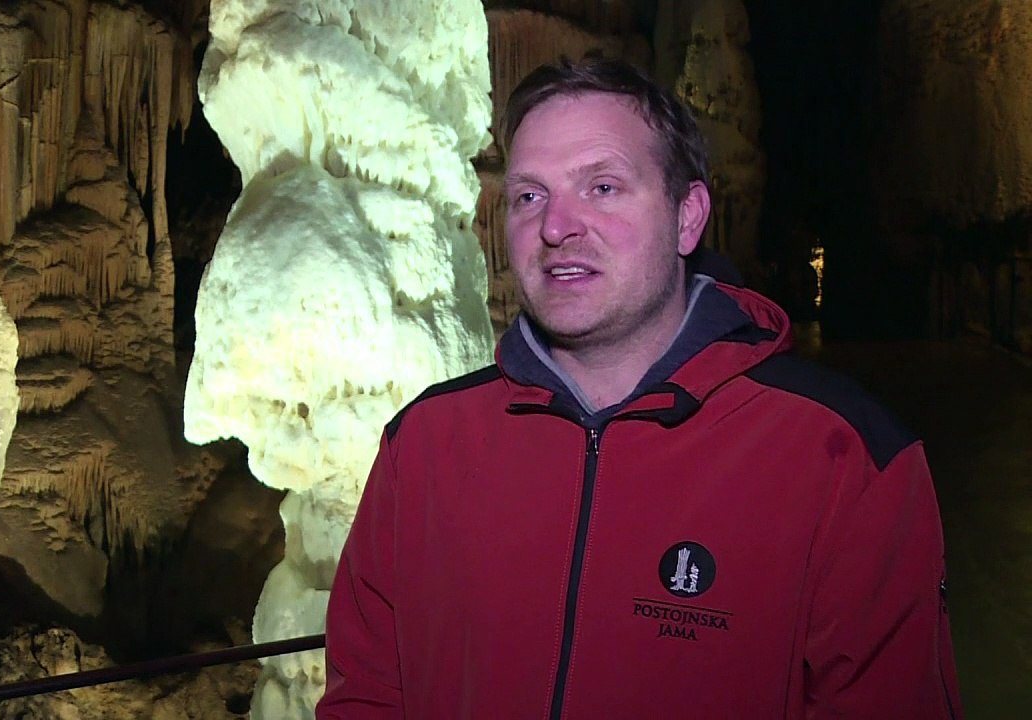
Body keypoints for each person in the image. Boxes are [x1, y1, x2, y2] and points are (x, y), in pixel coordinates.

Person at [317, 57, 963, 719]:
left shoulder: (843, 456)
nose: (556, 227)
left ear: (689, 216)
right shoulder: (423, 442)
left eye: (602, 187)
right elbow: (367, 691)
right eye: (529, 195)